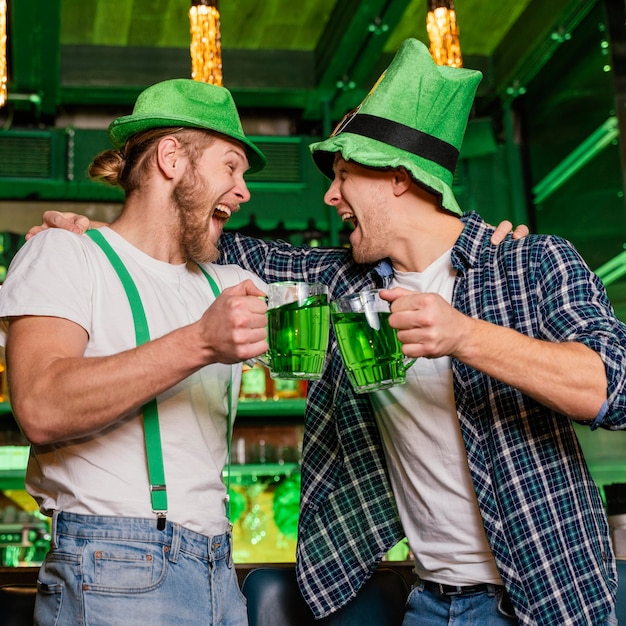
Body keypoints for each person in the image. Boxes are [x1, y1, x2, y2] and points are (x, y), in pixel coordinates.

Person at [29, 40, 603, 626]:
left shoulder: (530, 264)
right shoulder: (339, 283)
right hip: (429, 600)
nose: (329, 196)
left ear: (398, 177)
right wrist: (86, 232)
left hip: (545, 596)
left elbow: (614, 388)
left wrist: (463, 335)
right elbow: (176, 236)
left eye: (344, 175)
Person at [0, 78, 271, 626]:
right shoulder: (67, 255)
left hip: (220, 565)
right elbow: (40, 407)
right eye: (231, 167)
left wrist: (482, 250)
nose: (244, 191)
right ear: (172, 158)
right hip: (115, 566)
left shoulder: (230, 281)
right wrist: (200, 341)